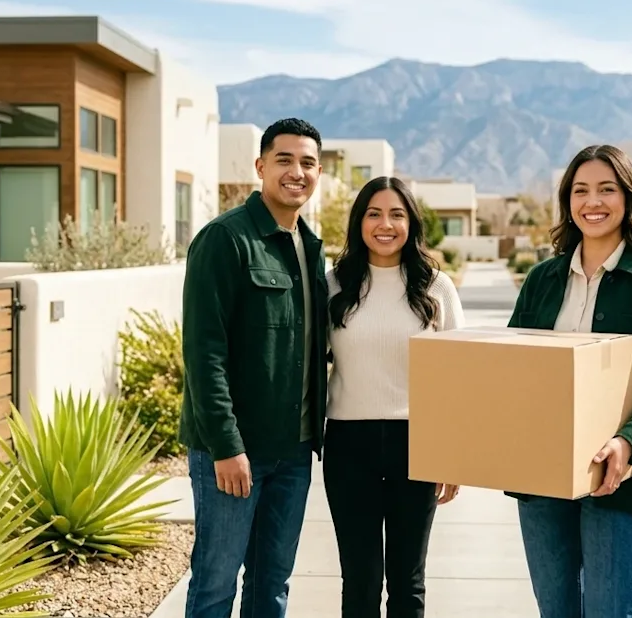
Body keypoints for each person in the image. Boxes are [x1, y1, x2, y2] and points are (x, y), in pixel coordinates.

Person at [507, 144, 632, 617]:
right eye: (581, 190)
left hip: (622, 477)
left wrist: (629, 442)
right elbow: (511, 369)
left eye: (607, 189)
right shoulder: (542, 280)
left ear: (629, 197)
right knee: (556, 610)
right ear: (568, 201)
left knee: (611, 611)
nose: (593, 202)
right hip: (542, 475)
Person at [178, 117, 329, 618]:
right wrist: (226, 446)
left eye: (307, 163)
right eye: (284, 160)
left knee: (272, 584)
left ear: (319, 172)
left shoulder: (310, 247)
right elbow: (204, 352)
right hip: (234, 452)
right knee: (215, 585)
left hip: (294, 451)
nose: (296, 172)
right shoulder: (225, 239)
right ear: (261, 166)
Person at [323, 176, 466, 618]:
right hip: (348, 445)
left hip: (416, 445)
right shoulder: (333, 285)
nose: (385, 225)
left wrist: (452, 455)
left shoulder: (437, 287)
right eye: (374, 214)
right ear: (359, 222)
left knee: (408, 581)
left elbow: (457, 377)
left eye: (397, 215)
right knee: (360, 581)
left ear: (411, 223)